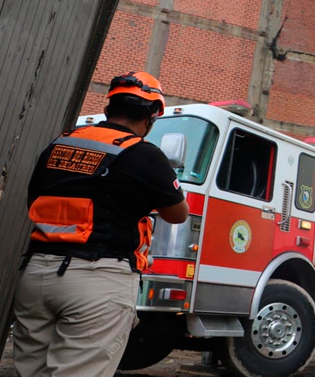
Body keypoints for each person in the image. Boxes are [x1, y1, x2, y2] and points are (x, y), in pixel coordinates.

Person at [12, 71, 189, 377]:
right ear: (150, 118)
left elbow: (34, 202)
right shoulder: (144, 154)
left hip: (37, 275)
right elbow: (178, 213)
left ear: (108, 109)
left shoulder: (59, 144)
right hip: (98, 279)